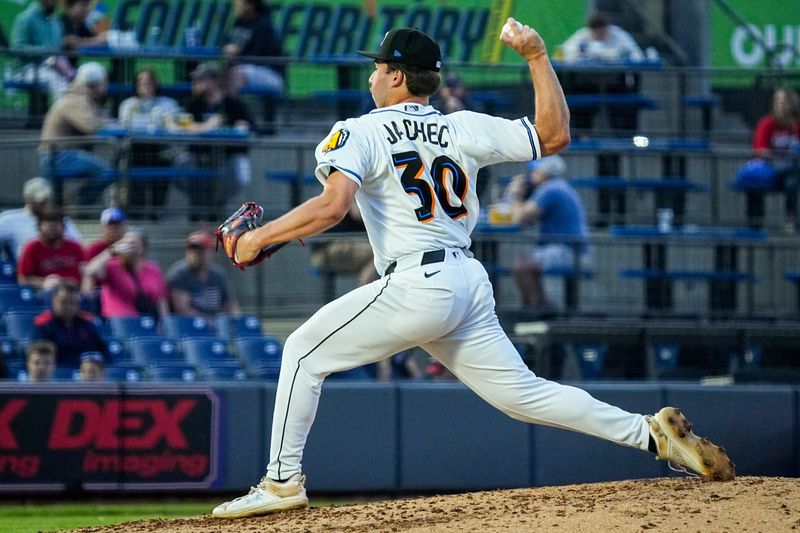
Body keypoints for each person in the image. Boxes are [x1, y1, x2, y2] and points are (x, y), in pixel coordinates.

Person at [210, 22, 734, 519]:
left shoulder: (360, 130)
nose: (371, 76)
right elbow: (553, 137)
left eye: (377, 68)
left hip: (418, 283)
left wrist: (258, 237)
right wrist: (537, 57)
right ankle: (649, 434)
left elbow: (331, 207)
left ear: (396, 75)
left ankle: (282, 481)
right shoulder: (461, 127)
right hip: (466, 281)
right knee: (524, 395)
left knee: (302, 351)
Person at [506, 155, 591, 312]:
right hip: (569, 249)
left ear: (544, 173)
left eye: (535, 171)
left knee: (522, 267)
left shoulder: (550, 189)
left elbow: (519, 218)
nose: (532, 175)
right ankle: (541, 306)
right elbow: (527, 220)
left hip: (567, 250)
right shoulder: (558, 186)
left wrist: (516, 195)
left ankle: (536, 310)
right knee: (526, 264)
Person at [39, 61, 114, 207]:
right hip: (58, 156)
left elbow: (99, 119)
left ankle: (79, 204)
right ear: (94, 83)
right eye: (103, 82)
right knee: (107, 172)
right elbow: (91, 126)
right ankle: (80, 204)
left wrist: (107, 121)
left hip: (61, 154)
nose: (106, 86)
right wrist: (110, 124)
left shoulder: (82, 98)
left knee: (106, 170)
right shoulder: (76, 100)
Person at [185, 62, 253, 221]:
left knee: (240, 175)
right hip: (199, 154)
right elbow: (184, 126)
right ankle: (200, 208)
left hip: (230, 154)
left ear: (213, 81)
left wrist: (241, 125)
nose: (197, 84)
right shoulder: (194, 104)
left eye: (201, 80)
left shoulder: (232, 104)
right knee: (183, 166)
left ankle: (217, 205)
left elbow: (250, 126)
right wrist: (207, 127)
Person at [557, 12, 645, 132]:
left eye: (603, 31)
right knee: (580, 105)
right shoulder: (582, 36)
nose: (601, 35)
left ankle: (621, 138)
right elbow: (561, 55)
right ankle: (581, 136)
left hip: (614, 85)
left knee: (623, 108)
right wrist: (581, 55)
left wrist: (615, 56)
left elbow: (638, 57)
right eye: (597, 32)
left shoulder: (619, 36)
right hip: (587, 84)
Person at [118, 68, 181, 218]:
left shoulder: (167, 104)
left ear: (155, 84)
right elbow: (124, 126)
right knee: (132, 162)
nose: (144, 85)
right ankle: (136, 212)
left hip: (159, 147)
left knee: (164, 160)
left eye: (148, 82)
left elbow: (174, 127)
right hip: (135, 148)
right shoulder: (128, 104)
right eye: (140, 82)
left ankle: (156, 211)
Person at [222, 0, 284, 133]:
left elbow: (258, 57)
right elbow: (224, 45)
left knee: (234, 73)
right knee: (221, 75)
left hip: (270, 74)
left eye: (239, 3)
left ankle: (246, 122)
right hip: (242, 71)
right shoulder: (238, 23)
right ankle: (229, 119)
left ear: (250, 5)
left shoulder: (263, 25)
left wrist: (237, 52)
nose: (235, 5)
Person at [83, 229, 168, 320]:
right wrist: (112, 251)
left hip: (146, 321)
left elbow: (161, 300)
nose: (128, 246)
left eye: (133, 243)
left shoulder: (153, 269)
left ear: (142, 248)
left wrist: (165, 322)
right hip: (118, 322)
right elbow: (90, 271)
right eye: (126, 243)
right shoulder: (112, 266)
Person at [752, 87, 800, 231]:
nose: (779, 105)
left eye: (783, 101)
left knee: (792, 179)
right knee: (790, 173)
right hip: (771, 169)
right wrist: (782, 156)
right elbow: (760, 150)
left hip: (794, 171)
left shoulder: (797, 124)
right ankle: (755, 224)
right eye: (776, 101)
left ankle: (790, 221)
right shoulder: (767, 123)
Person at [0, 176, 83, 259]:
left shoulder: (61, 219)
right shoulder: (9, 219)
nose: (44, 203)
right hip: (27, 266)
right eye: (39, 201)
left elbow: (78, 244)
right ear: (27, 199)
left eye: (46, 199)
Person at [166, 230, 240, 320]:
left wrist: (235, 320)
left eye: (201, 251)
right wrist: (209, 322)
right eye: (192, 251)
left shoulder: (219, 275)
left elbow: (230, 305)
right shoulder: (179, 275)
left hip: (217, 325)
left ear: (210, 252)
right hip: (190, 328)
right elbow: (183, 310)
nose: (196, 255)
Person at [32, 279, 108, 368]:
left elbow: (102, 352)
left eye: (72, 303)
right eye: (63, 302)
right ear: (54, 301)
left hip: (86, 374)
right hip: (56, 375)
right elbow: (38, 355)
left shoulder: (88, 323)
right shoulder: (43, 324)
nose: (68, 307)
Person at [10, 0, 73, 99]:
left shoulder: (56, 21)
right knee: (58, 83)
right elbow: (17, 49)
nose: (54, 2)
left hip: (51, 68)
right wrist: (43, 50)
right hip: (25, 70)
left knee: (76, 84)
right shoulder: (26, 18)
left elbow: (56, 52)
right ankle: (64, 114)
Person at [17, 206, 85, 290]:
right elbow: (23, 279)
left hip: (75, 292)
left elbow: (85, 273)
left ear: (63, 227)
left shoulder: (75, 247)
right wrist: (45, 282)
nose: (52, 227)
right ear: (39, 227)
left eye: (56, 223)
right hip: (45, 293)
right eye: (48, 224)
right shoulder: (31, 248)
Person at [61, 0, 107, 68]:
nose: (87, 10)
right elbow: (71, 42)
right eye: (83, 5)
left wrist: (82, 41)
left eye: (87, 5)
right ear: (69, 6)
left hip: (75, 68)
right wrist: (91, 41)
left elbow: (101, 39)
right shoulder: (59, 23)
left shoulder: (82, 25)